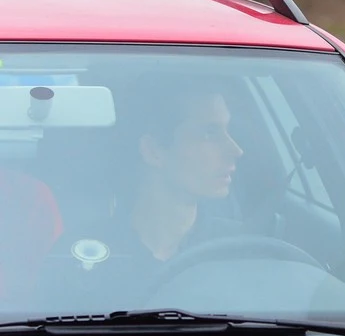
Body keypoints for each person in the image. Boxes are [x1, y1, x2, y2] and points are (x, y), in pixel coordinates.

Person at [42, 73, 245, 309]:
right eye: (209, 133)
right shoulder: (77, 257)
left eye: (227, 131)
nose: (236, 149)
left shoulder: (241, 252)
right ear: (153, 150)